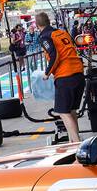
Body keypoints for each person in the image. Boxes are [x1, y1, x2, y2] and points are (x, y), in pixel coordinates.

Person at [35, 10, 84, 144]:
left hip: (65, 76)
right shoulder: (62, 32)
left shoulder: (45, 36)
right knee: (71, 111)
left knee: (63, 112)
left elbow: (54, 55)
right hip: (78, 74)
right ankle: (72, 141)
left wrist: (47, 73)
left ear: (37, 24)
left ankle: (77, 143)